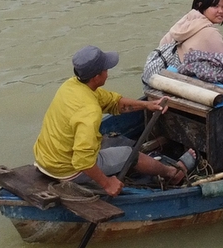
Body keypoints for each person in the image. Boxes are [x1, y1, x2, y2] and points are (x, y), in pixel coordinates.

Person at [35, 46, 192, 195]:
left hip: (45, 160)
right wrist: (107, 184)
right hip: (68, 171)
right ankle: (173, 173)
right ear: (97, 76)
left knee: (103, 141)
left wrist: (148, 105)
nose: (108, 73)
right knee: (129, 154)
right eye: (106, 70)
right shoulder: (90, 111)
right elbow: (82, 161)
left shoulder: (71, 85)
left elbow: (114, 102)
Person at [144, 0, 223, 85]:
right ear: (200, 5)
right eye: (215, 6)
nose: (221, 11)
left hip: (155, 77)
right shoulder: (211, 33)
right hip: (179, 83)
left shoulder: (183, 23)